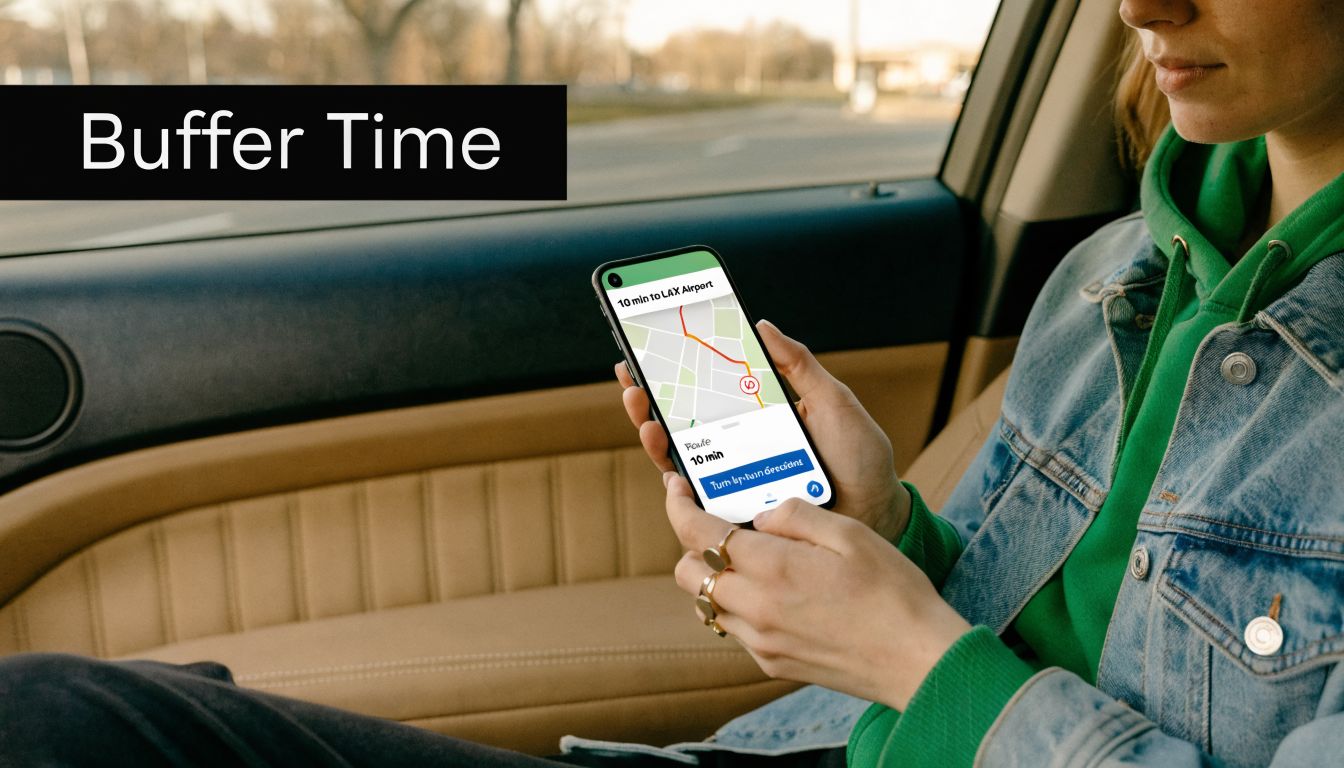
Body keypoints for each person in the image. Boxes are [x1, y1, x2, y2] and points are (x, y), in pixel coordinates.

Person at [2, 0, 1343, 765]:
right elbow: (1040, 627)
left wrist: (905, 653)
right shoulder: (1116, 271)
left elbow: (953, 676)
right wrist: (888, 541)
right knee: (59, 724)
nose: (1141, 6)